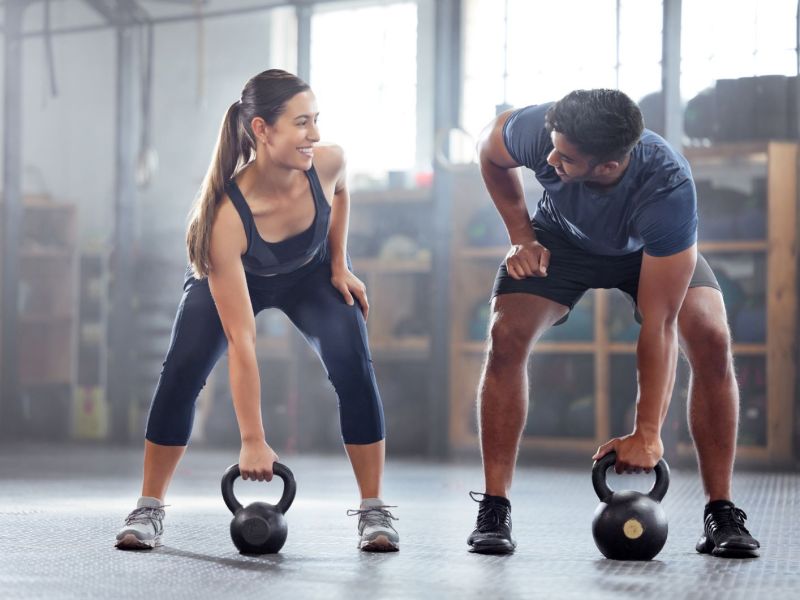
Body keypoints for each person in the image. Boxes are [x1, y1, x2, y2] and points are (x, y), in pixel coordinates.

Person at [467, 89, 760, 558]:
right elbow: (489, 150)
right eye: (552, 146)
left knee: (710, 336)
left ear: (606, 166)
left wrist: (647, 433)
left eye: (565, 158)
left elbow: (659, 323)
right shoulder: (544, 128)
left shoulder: (667, 187)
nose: (549, 159)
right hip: (558, 240)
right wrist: (521, 236)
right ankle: (494, 510)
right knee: (505, 334)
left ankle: (721, 511)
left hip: (646, 253)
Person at [115, 69, 399, 553]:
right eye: (302, 123)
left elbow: (342, 194)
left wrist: (338, 263)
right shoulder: (225, 216)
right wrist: (253, 439)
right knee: (181, 372)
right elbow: (242, 342)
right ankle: (148, 506)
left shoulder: (328, 163)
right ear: (262, 130)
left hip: (309, 274)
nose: (315, 134)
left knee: (354, 364)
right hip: (235, 276)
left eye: (316, 120)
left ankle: (374, 510)